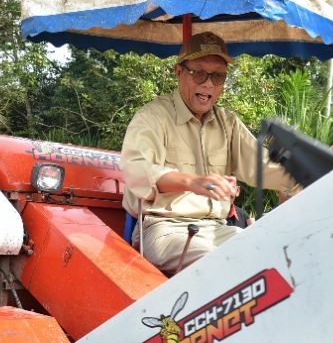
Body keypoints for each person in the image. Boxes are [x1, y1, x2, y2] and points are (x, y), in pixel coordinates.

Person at [120, 32, 292, 275]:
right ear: (179, 72)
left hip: (217, 229)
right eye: (198, 73)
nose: (208, 83)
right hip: (163, 229)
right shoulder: (152, 117)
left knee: (279, 256)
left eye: (218, 76)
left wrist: (309, 169)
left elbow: (262, 167)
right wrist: (192, 182)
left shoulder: (228, 122)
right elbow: (138, 171)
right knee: (224, 265)